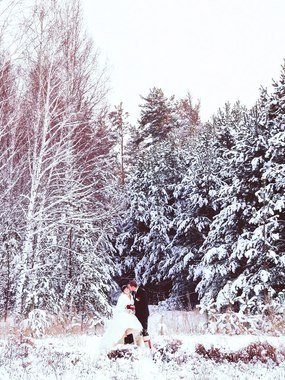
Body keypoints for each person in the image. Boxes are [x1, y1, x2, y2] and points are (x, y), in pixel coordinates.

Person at [101, 285, 142, 350]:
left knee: (130, 329)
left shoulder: (131, 296)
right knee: (124, 330)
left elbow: (133, 305)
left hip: (130, 315)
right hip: (123, 315)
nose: (127, 290)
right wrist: (126, 309)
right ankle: (128, 345)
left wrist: (132, 309)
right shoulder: (122, 297)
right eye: (125, 290)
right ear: (123, 291)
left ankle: (129, 345)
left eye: (127, 289)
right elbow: (119, 307)